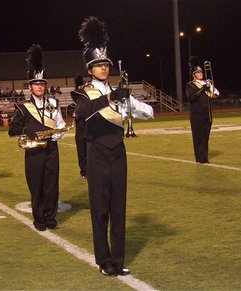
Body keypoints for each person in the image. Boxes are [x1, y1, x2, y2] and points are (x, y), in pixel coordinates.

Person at [74, 16, 154, 277]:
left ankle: (118, 261)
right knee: (100, 210)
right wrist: (108, 98)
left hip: (119, 152)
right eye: (98, 66)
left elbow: (148, 113)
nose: (103, 69)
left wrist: (131, 102)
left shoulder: (119, 90)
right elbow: (82, 113)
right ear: (90, 69)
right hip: (96, 152)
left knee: (119, 208)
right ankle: (104, 261)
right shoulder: (83, 93)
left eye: (106, 65)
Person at [8, 44, 66, 231]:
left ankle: (50, 217)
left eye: (42, 84)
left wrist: (59, 133)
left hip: (51, 149)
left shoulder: (53, 103)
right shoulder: (23, 107)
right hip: (34, 151)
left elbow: (61, 123)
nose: (39, 87)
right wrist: (28, 133)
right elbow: (13, 129)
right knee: (37, 185)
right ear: (30, 86)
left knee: (51, 185)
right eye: (36, 84)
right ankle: (39, 219)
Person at [185, 56, 219, 164]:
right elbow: (191, 98)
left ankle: (205, 158)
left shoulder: (207, 84)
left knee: (205, 137)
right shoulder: (190, 85)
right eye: (198, 73)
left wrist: (210, 88)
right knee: (198, 137)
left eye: (201, 73)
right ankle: (199, 159)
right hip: (197, 115)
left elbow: (216, 94)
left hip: (207, 114)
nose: (200, 74)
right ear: (194, 75)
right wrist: (202, 89)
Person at [70, 74, 87, 178]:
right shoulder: (78, 93)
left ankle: (85, 171)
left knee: (83, 150)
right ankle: (84, 171)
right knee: (82, 149)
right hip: (81, 124)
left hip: (85, 123)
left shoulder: (84, 91)